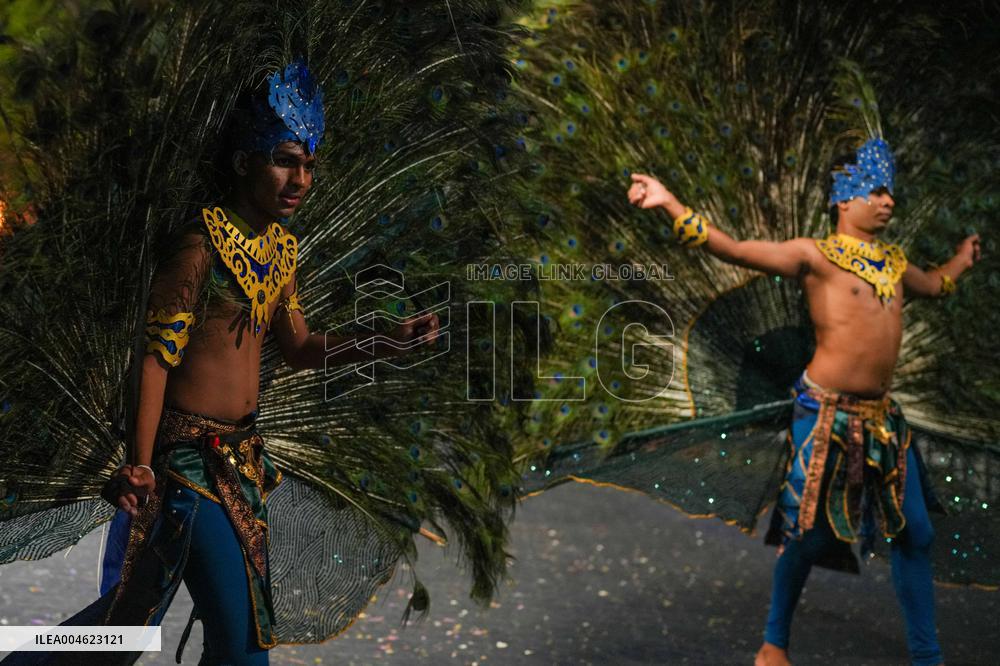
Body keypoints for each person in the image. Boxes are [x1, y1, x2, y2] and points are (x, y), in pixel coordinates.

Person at [5, 61, 439, 666]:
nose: (300, 179)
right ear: (243, 162)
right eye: (286, 161)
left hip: (244, 464)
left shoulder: (281, 254)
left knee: (123, 628)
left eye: (309, 165)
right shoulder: (199, 247)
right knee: (241, 647)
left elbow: (299, 348)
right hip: (186, 468)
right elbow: (154, 362)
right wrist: (139, 463)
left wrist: (383, 341)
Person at [627, 137, 981, 666]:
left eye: (892, 193)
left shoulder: (895, 262)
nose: (889, 202)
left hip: (884, 421)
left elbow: (933, 285)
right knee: (809, 536)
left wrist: (962, 259)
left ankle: (927, 657)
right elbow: (733, 248)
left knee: (917, 532)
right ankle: (773, 644)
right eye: (877, 191)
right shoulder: (812, 256)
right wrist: (671, 204)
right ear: (844, 198)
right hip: (826, 417)